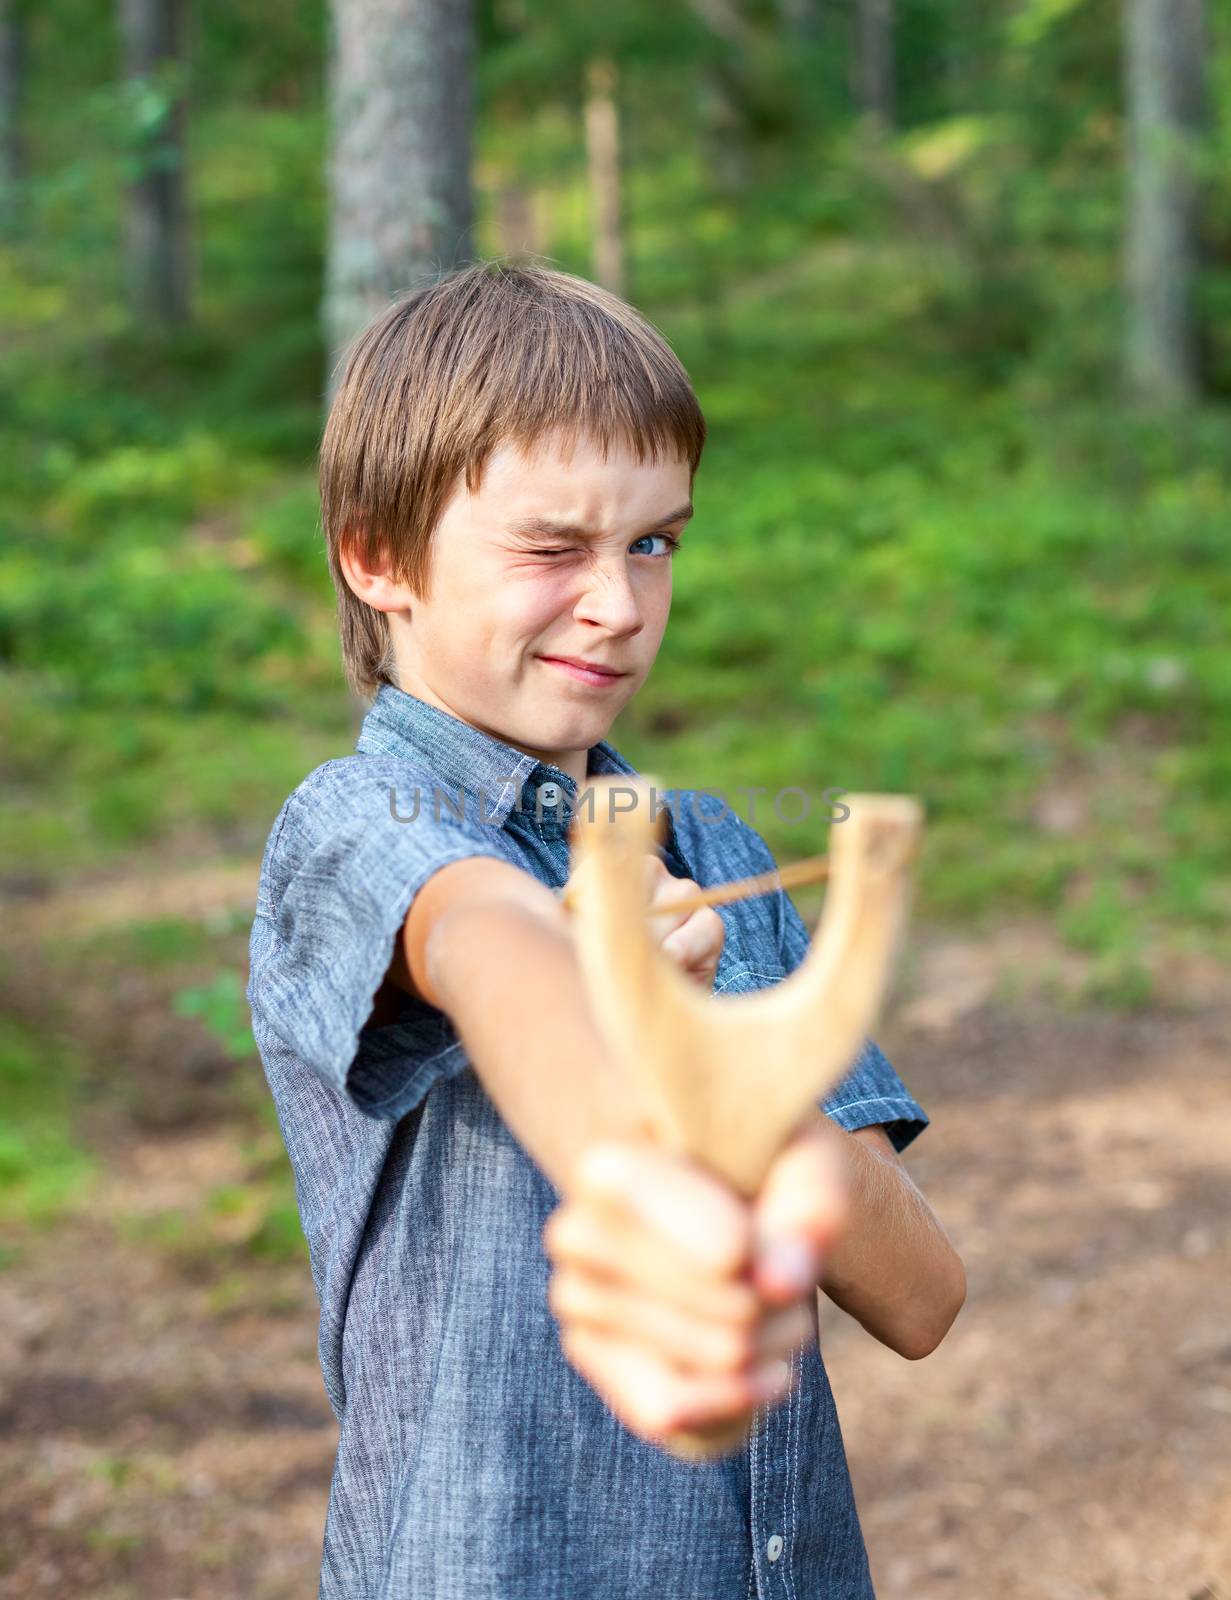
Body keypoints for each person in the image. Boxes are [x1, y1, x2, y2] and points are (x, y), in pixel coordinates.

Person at [246, 257, 965, 1600]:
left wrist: (714, 1064)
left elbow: (920, 1297)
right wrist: (627, 1124)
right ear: (375, 554)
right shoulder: (349, 826)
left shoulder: (713, 854)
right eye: (552, 546)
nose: (620, 604)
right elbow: (483, 941)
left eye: (654, 541)